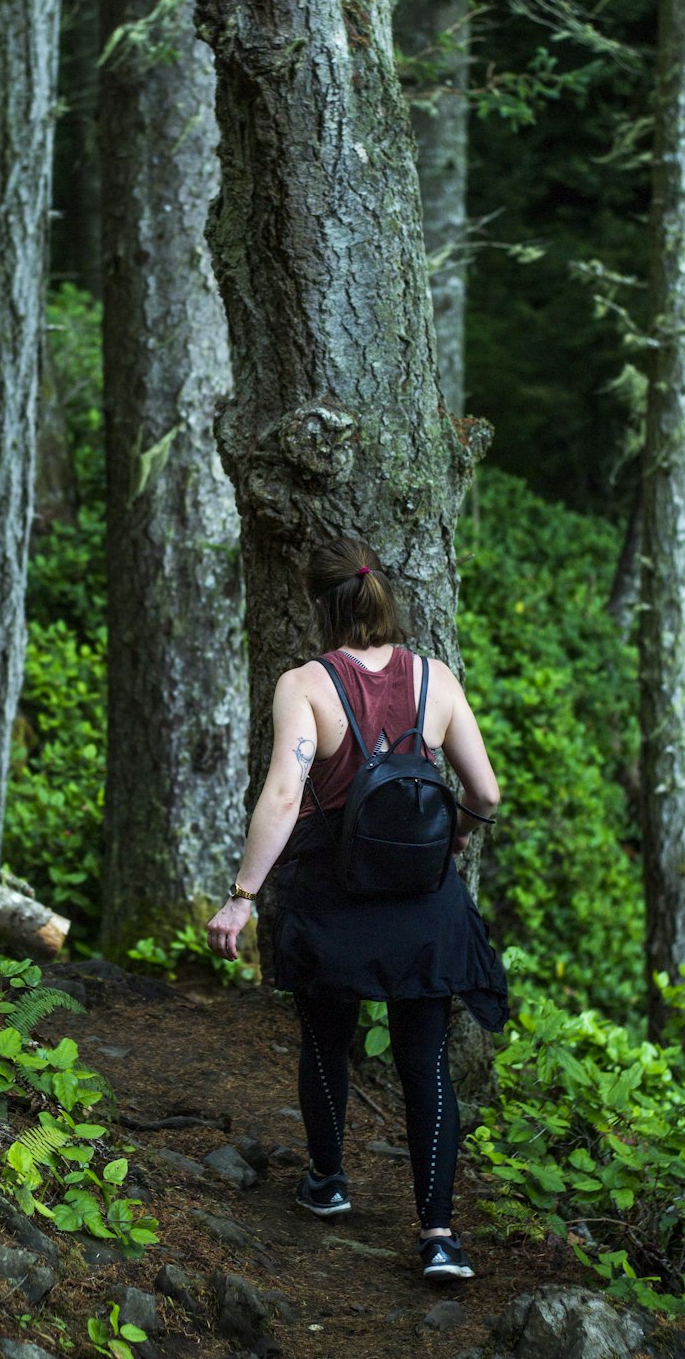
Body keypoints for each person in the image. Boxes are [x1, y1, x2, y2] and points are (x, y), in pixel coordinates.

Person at [206, 537, 508, 1282]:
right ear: (380, 597)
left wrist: (241, 897)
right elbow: (487, 792)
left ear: (318, 603)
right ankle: (439, 1236)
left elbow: (283, 794)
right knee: (425, 1063)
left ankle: (329, 1181)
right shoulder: (437, 679)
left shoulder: (305, 683)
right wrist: (455, 840)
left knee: (325, 1041)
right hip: (424, 903)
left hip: (333, 898)